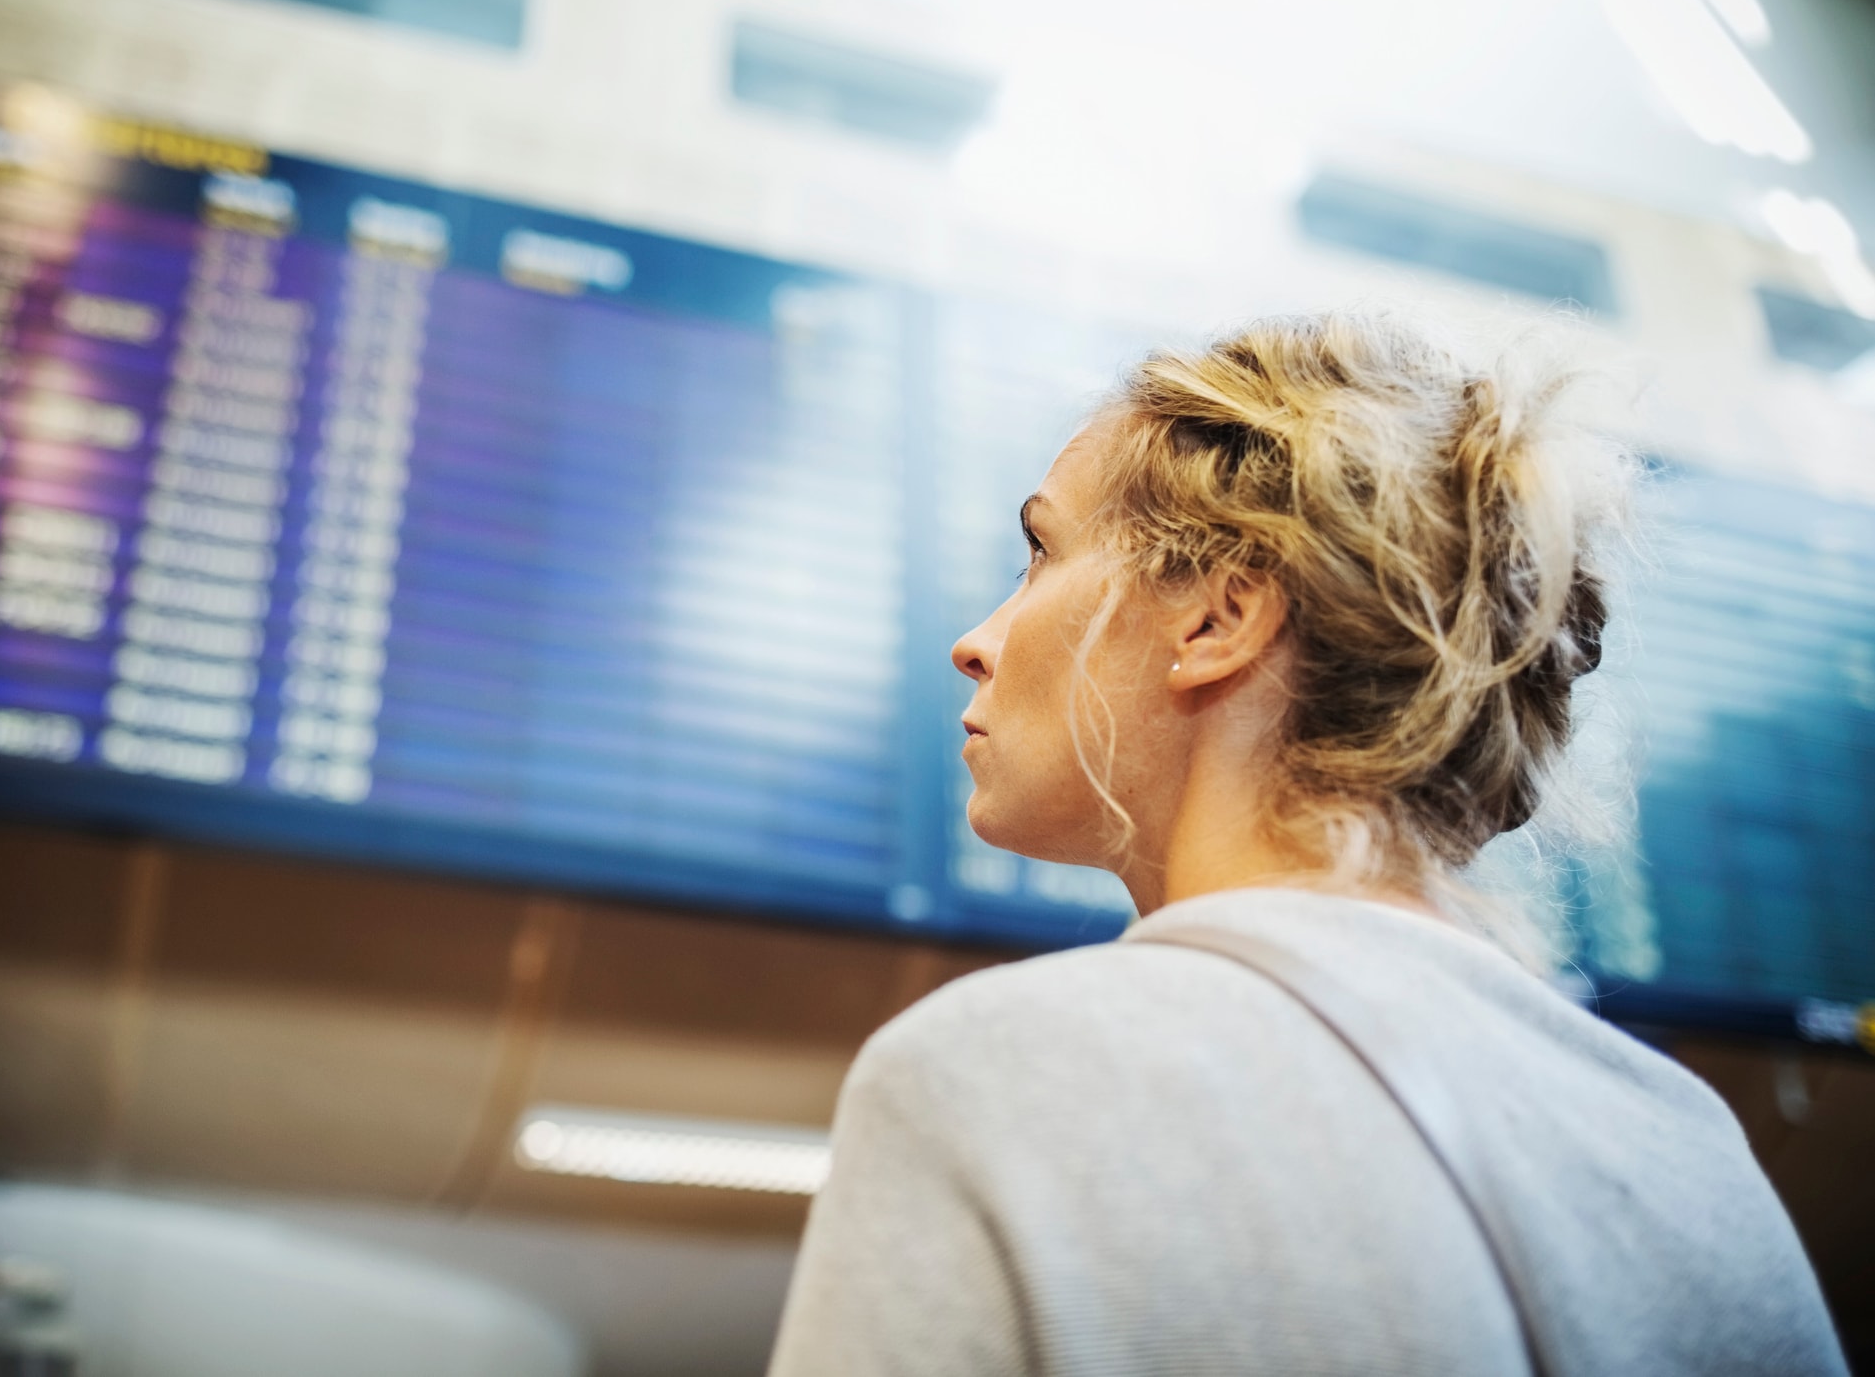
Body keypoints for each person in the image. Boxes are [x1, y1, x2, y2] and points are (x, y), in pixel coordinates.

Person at [767, 312, 1846, 1376]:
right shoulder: (1686, 1151)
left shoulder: (994, 1075)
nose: (977, 642)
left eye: (1041, 551)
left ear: (1217, 619)